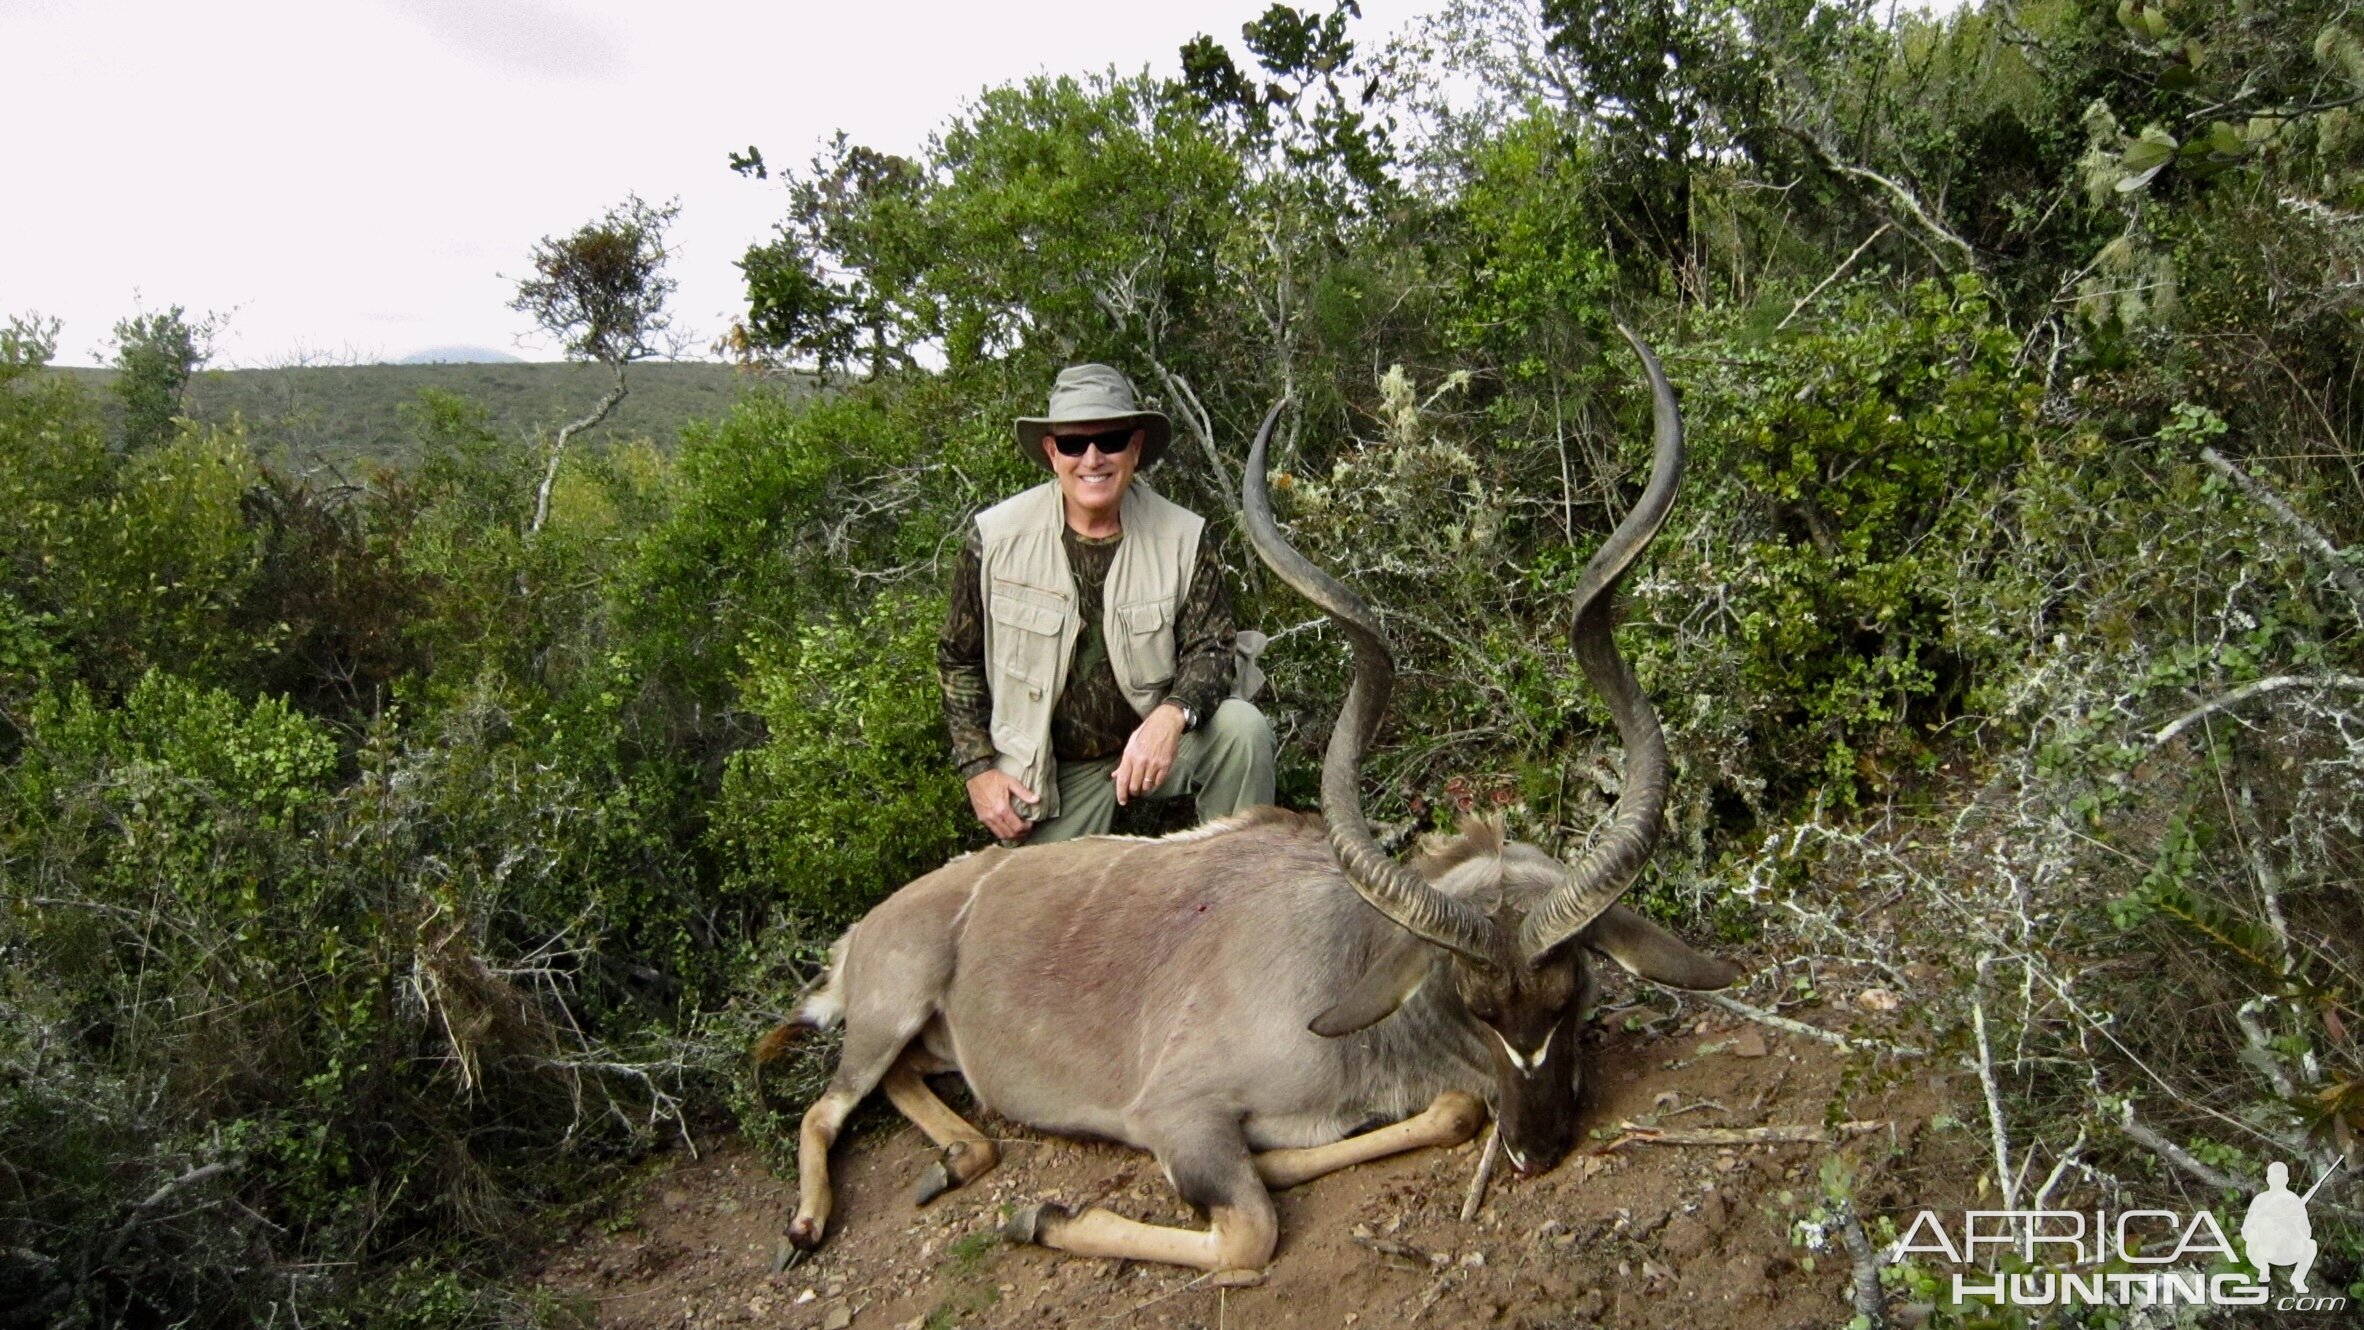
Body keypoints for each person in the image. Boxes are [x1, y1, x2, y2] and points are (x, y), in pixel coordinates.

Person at [938, 363, 1275, 844]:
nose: (1092, 458)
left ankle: (1239, 883)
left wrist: (1171, 715)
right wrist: (978, 770)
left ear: (1135, 448)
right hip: (1054, 771)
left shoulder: (1184, 536)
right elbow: (958, 659)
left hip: (1154, 749)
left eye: (1111, 440)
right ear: (1053, 452)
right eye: (1074, 443)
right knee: (1041, 913)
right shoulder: (993, 539)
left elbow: (1213, 649)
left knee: (1242, 731)